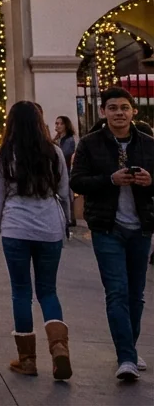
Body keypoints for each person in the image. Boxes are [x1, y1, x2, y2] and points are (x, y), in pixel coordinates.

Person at [70, 86, 154, 381]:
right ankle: (126, 357)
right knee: (117, 291)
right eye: (113, 108)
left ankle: (128, 346)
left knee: (136, 294)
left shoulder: (148, 144)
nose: (119, 113)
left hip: (141, 227)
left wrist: (150, 181)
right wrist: (110, 180)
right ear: (103, 111)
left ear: (134, 111)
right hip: (107, 228)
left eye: (124, 108)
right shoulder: (89, 144)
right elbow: (77, 181)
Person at [0, 101, 72, 380]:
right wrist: (66, 224)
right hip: (49, 228)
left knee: (21, 292)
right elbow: (64, 192)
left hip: (16, 228)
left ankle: (27, 360)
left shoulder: (3, 153)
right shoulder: (53, 152)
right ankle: (59, 348)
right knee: (48, 290)